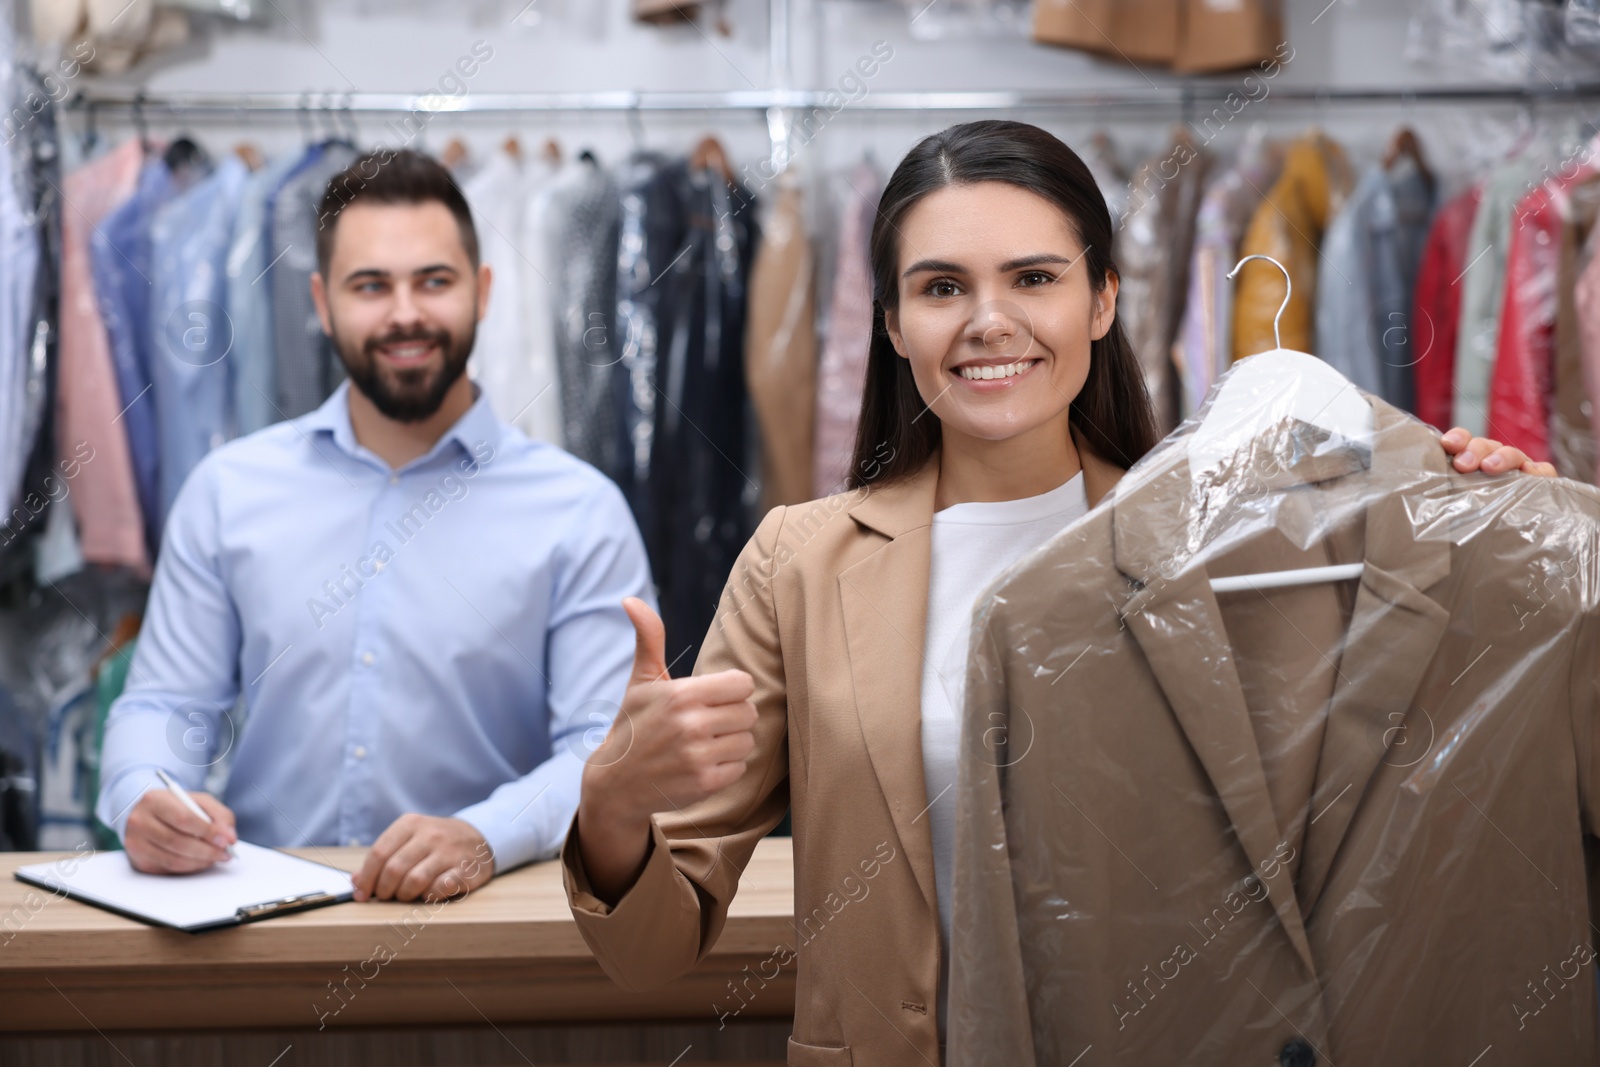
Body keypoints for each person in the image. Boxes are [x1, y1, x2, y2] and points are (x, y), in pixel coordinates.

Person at [561, 120, 1555, 1065]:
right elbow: (647, 948)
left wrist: (1502, 546)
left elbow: (1363, 839)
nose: (990, 320)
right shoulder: (800, 564)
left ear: (1103, 301)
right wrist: (612, 804)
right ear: (893, 324)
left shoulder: (1234, 545)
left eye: (1033, 277)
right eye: (942, 285)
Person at [95, 150, 653, 903]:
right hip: (262, 925)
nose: (405, 314)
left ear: (483, 292)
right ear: (322, 304)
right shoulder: (228, 493)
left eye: (434, 280)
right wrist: (145, 793)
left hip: (494, 930)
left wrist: (487, 832)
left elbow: (604, 749)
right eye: (371, 285)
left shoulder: (580, 512)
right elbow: (167, 704)